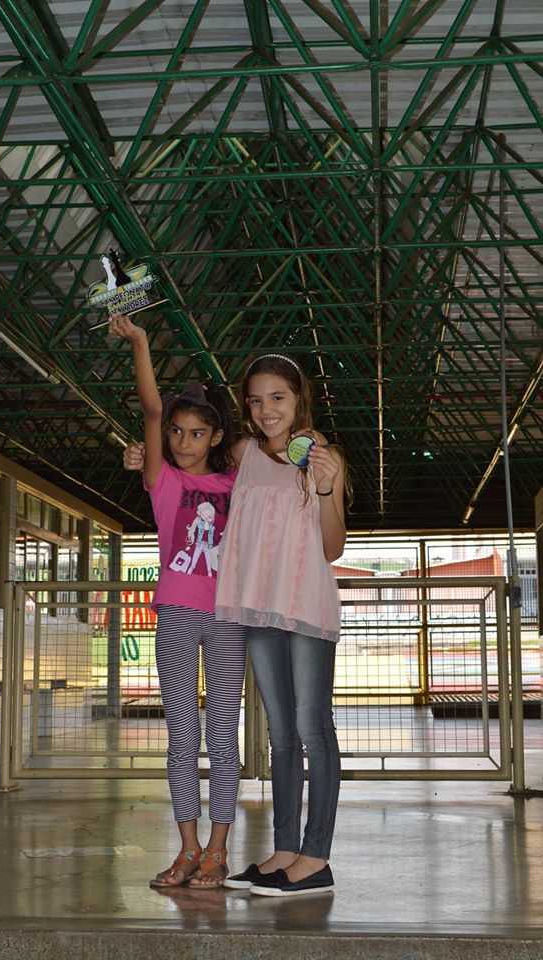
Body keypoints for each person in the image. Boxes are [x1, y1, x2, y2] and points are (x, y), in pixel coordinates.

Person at [124, 352, 349, 898]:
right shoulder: (245, 454)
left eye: (278, 397)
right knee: (280, 733)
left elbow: (333, 547)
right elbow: (186, 449)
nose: (267, 408)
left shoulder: (324, 457)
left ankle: (316, 857)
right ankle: (285, 852)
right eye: (256, 399)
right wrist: (143, 456)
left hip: (305, 606)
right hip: (256, 609)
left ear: (299, 398)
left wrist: (324, 486)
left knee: (313, 727)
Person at [109, 312, 247, 889]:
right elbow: (150, 410)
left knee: (223, 732)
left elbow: (266, 450)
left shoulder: (238, 484)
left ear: (215, 438)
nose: (183, 442)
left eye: (197, 434)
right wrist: (140, 343)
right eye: (177, 433)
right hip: (176, 613)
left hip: (229, 615)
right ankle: (187, 848)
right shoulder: (163, 480)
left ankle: (218, 849)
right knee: (182, 734)